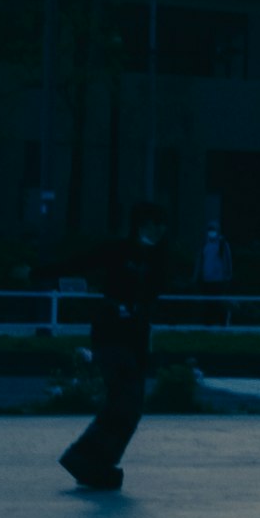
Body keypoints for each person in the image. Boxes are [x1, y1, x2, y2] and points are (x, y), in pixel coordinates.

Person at [61, 209, 169, 494]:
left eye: (161, 226)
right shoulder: (122, 254)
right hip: (114, 340)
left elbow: (147, 305)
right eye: (154, 225)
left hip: (129, 342)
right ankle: (86, 458)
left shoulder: (152, 262)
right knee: (125, 403)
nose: (159, 232)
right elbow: (83, 264)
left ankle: (92, 460)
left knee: (127, 406)